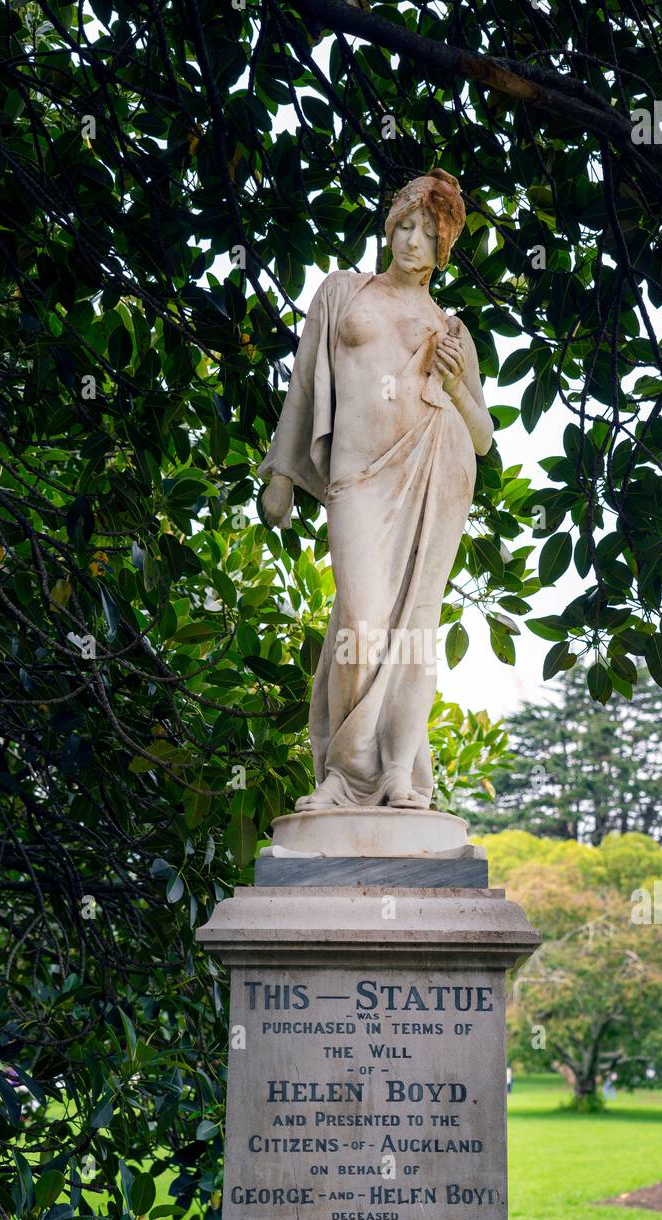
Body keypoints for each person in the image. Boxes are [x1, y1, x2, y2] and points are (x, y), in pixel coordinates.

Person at [259, 169, 493, 811]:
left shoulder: (450, 330)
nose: (411, 240)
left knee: (417, 626)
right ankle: (345, 772)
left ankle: (396, 771)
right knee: (360, 623)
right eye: (404, 224)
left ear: (443, 248)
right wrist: (282, 473)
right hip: (358, 478)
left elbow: (483, 436)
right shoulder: (342, 292)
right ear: (389, 225)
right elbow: (305, 380)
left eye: (427, 232)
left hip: (435, 469)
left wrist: (451, 386)